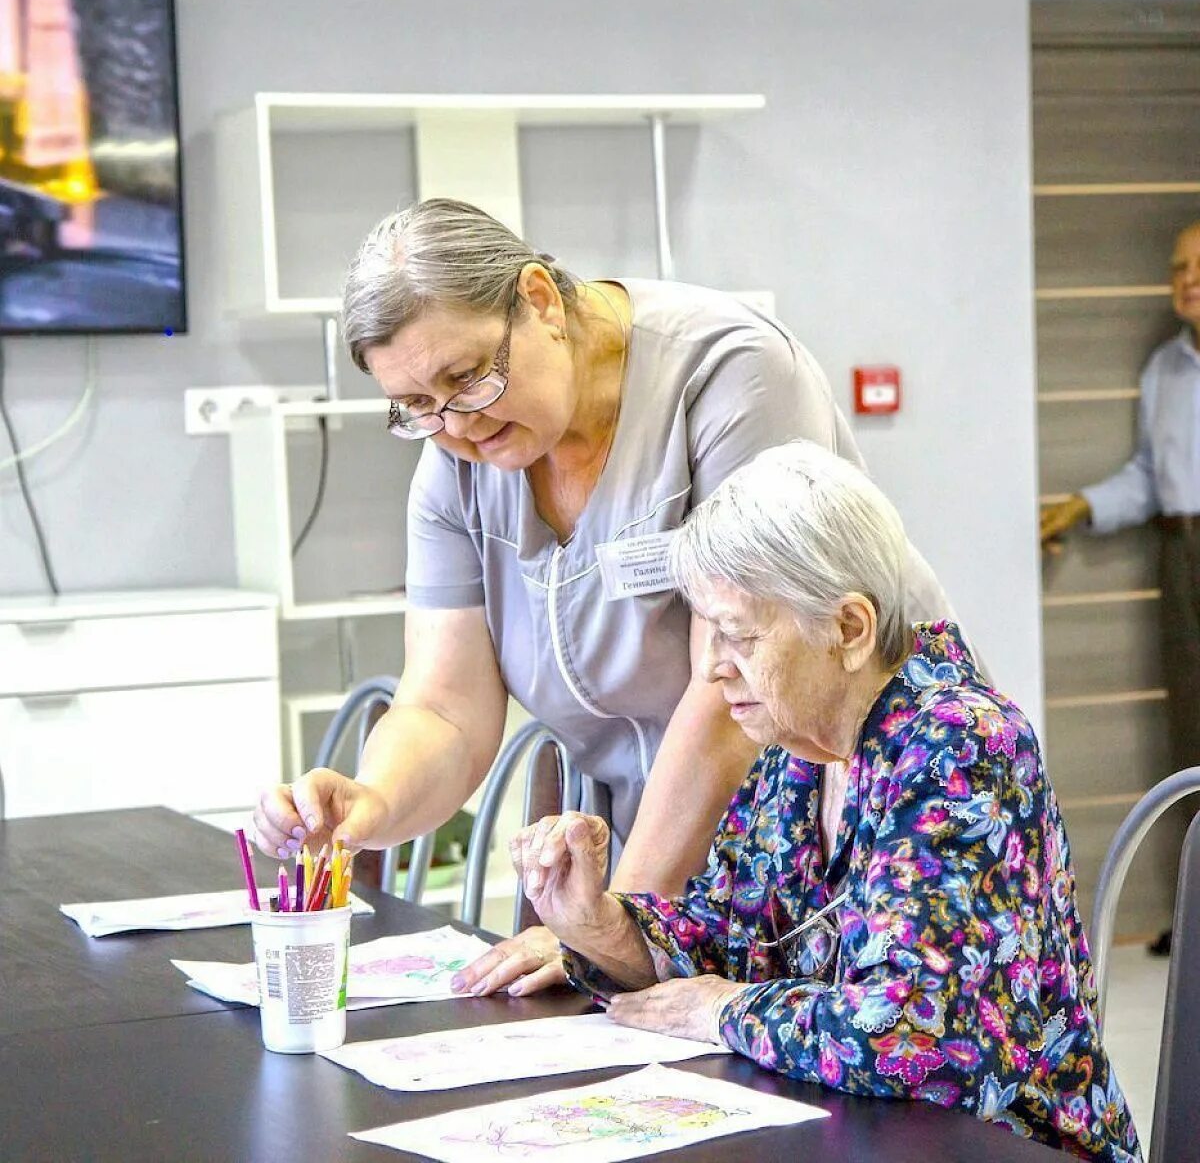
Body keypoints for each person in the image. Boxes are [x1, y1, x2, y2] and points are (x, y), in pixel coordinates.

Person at [250, 197, 954, 995]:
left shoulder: (729, 375)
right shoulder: (456, 458)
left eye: (468, 377)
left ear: (541, 301)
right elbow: (444, 706)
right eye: (417, 408)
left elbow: (734, 691)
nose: (456, 425)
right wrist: (372, 802)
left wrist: (607, 926)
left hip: (841, 839)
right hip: (672, 871)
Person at [514, 441, 1140, 1161]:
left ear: (848, 630)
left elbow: (915, 1038)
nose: (714, 667)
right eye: (709, 632)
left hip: (1004, 1147)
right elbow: (727, 938)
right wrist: (596, 925)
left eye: (739, 634)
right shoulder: (798, 752)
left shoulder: (964, 746)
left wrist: (725, 1009)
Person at [1041, 219, 1200, 956]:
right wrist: (1083, 507)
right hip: (1181, 555)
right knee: (1191, 738)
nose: (1187, 279)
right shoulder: (1166, 367)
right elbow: (1149, 474)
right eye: (1178, 268)